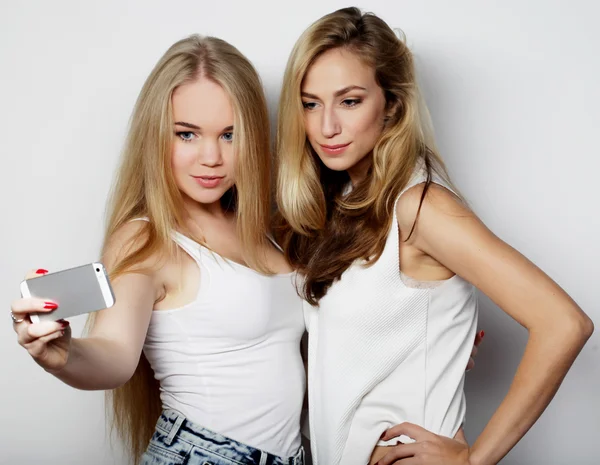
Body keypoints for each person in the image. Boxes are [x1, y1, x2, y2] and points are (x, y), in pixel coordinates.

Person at [275, 7, 594, 465]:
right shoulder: (344, 198)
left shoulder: (421, 207)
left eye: (349, 101)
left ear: (392, 104)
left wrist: (472, 459)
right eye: (310, 103)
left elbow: (564, 324)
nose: (327, 127)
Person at [10, 35, 306, 465]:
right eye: (187, 135)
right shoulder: (146, 238)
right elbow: (114, 353)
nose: (211, 157)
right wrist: (64, 356)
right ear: (156, 138)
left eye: (230, 134)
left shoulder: (270, 232)